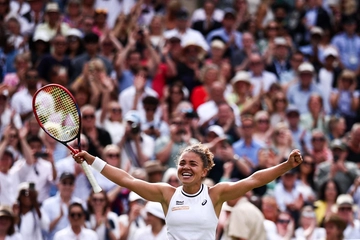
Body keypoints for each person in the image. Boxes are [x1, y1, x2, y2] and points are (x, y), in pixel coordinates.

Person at [73, 143, 303, 240]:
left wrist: (286, 166)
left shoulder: (216, 194)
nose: (185, 167)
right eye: (182, 163)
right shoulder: (167, 194)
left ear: (204, 171)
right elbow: (127, 179)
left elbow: (254, 179)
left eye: (193, 164)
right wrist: (92, 159)